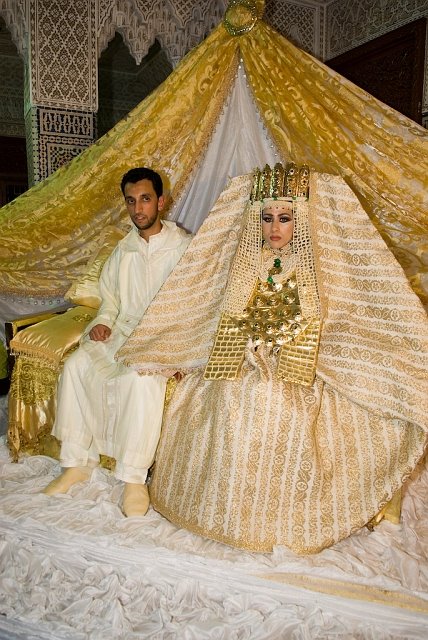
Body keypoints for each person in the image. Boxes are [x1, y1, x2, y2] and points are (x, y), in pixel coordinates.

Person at [117, 164, 428, 553]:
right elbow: (229, 316)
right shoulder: (248, 260)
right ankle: (229, 511)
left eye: (284, 218)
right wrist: (247, 350)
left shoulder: (317, 264)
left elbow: (328, 320)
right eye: (266, 218)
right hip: (246, 359)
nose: (274, 228)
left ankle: (291, 516)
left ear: (300, 219)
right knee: (232, 399)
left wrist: (291, 352)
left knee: (279, 405)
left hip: (304, 362)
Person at [43, 167, 191, 517]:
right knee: (77, 366)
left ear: (161, 202)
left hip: (163, 336)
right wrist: (102, 323)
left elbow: (195, 303)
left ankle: (133, 480)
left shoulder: (183, 248)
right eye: (131, 201)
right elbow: (110, 301)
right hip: (124, 331)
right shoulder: (122, 250)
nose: (138, 208)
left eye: (145, 199)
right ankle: (77, 461)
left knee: (140, 382)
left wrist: (181, 352)